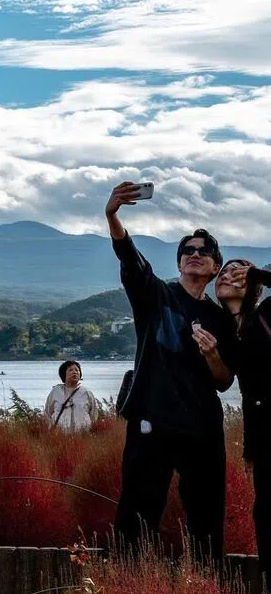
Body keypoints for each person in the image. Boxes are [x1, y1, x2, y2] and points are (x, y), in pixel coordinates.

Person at [105, 182, 237, 564]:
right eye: (187, 251)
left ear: (215, 267)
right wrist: (112, 215)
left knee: (206, 521)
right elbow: (131, 260)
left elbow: (224, 381)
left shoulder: (220, 319)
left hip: (202, 429)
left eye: (204, 251)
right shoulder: (155, 296)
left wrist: (212, 355)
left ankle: (206, 590)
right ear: (179, 263)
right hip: (152, 422)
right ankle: (127, 587)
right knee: (136, 516)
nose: (195, 254)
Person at [215, 258, 271, 589]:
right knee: (263, 514)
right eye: (224, 271)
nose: (228, 275)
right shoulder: (226, 332)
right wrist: (249, 448)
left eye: (237, 271)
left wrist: (258, 273)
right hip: (263, 436)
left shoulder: (267, 314)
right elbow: (248, 393)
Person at [43, 360, 100, 433]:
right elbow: (47, 413)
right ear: (64, 374)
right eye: (70, 370)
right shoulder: (55, 392)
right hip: (59, 435)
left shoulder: (86, 393)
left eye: (77, 370)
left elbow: (94, 415)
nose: (75, 372)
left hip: (83, 435)